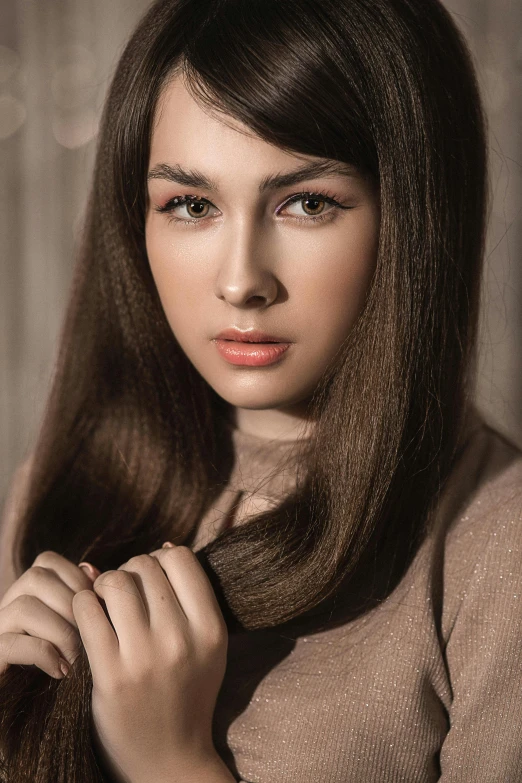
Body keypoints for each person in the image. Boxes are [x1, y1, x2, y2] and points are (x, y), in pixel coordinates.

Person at [0, 0, 521, 780]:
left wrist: (172, 764)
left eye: (306, 203)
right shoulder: (65, 484)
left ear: (414, 214)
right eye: (191, 205)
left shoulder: (497, 549)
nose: (242, 280)